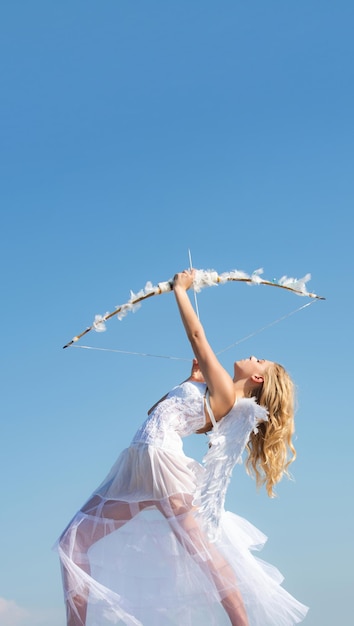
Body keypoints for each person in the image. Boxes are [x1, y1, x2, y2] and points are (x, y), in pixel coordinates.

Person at [55, 269, 309, 626]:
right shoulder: (212, 391)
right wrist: (190, 381)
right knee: (74, 539)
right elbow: (154, 410)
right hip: (138, 463)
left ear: (257, 378)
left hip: (163, 463)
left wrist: (181, 291)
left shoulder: (224, 390)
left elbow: (197, 336)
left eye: (259, 360)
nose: (253, 355)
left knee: (205, 553)